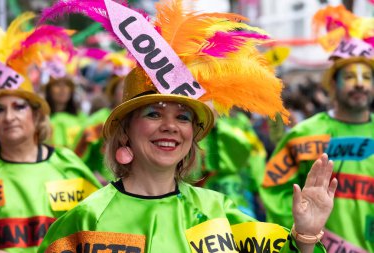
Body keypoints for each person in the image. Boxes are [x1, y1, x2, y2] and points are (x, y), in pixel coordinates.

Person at [38, 0, 336, 252]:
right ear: (125, 130)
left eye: (183, 117)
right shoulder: (85, 220)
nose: (170, 126)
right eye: (154, 114)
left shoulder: (218, 211)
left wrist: (306, 235)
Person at [260, 5, 374, 252]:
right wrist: (304, 235)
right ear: (333, 83)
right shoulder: (304, 134)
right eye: (350, 77)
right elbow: (274, 190)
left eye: (366, 77)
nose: (360, 85)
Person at [0, 15, 102, 253]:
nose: (9, 117)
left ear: (36, 114)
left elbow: (99, 229)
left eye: (19, 107)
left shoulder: (67, 166)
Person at [45, 77, 87, 150]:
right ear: (49, 90)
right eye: (57, 85)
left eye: (67, 85)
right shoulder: (41, 117)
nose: (63, 89)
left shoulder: (81, 117)